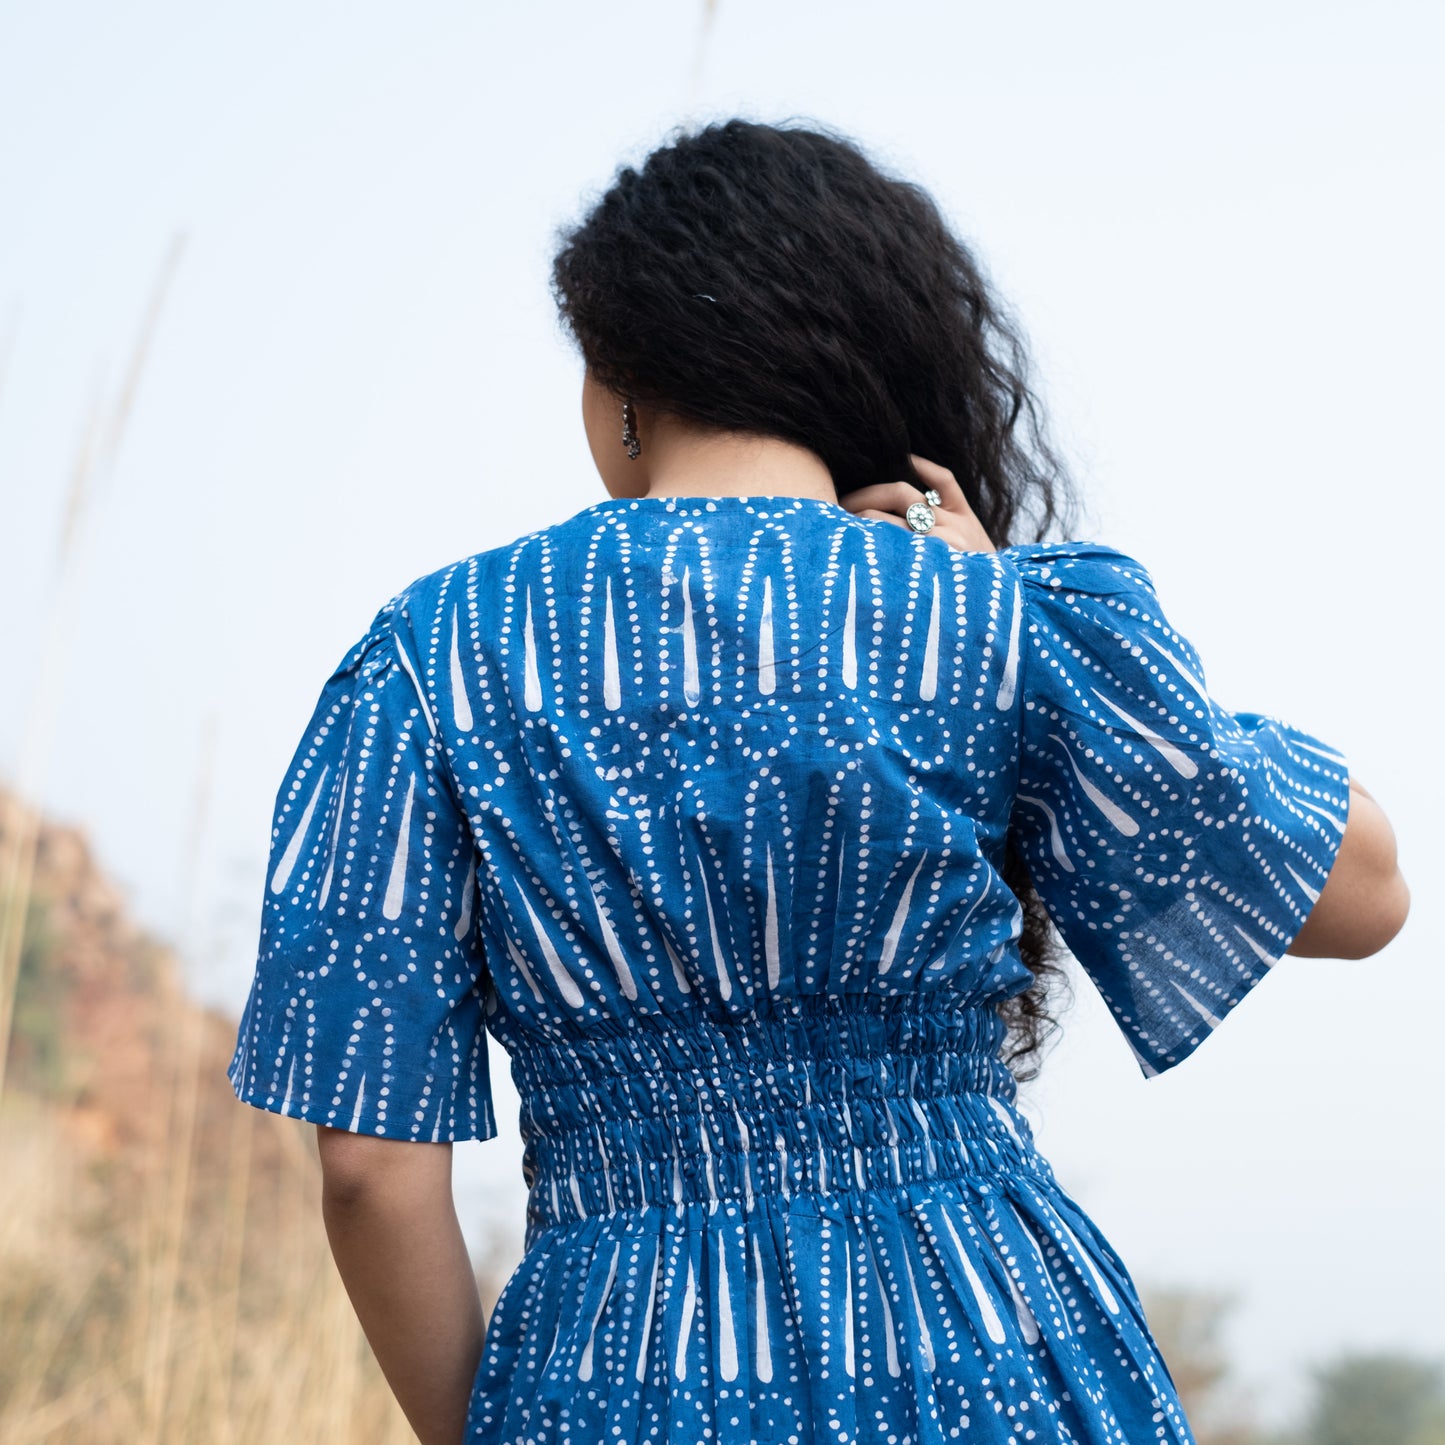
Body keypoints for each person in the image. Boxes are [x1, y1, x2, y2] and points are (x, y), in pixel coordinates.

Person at [228, 119, 1409, 1445]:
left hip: (615, 1368)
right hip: (987, 1340)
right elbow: (1365, 892)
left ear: (621, 379)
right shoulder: (981, 617)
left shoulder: (429, 659)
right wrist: (1035, 621)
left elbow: (371, 1168)